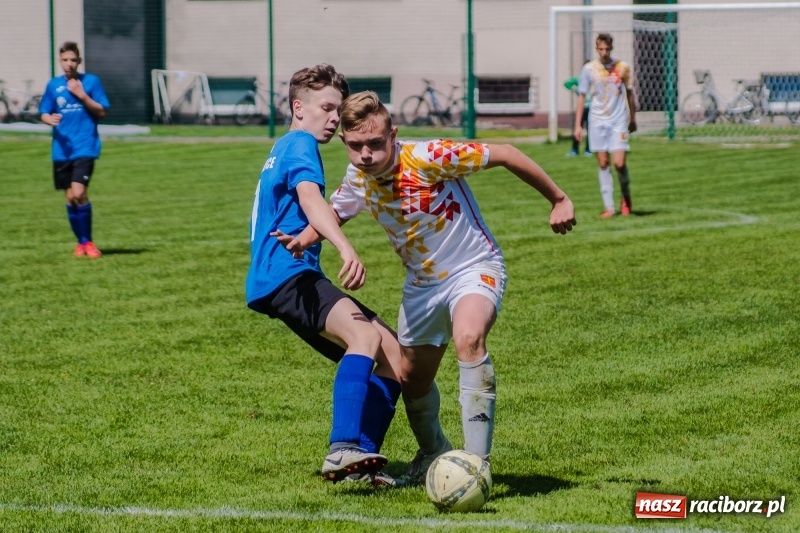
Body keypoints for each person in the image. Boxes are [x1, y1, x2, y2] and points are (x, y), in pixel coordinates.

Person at [280, 91, 576, 486]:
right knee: (411, 378)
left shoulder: (429, 156)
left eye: (374, 144)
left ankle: (476, 463)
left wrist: (558, 198)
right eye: (355, 146)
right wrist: (306, 238)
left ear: (394, 135)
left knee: (468, 338)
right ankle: (433, 451)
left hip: (473, 268)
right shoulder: (358, 178)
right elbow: (336, 211)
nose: (365, 154)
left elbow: (505, 152)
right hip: (421, 286)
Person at [245, 65, 404, 486]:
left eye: (337, 110)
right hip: (286, 276)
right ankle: (342, 448)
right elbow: (313, 200)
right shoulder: (299, 143)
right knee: (364, 338)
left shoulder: (284, 145)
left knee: (394, 356)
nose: (334, 118)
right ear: (299, 107)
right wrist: (345, 246)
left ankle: (360, 461)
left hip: (285, 273)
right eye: (326, 108)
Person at [39, 41, 110, 258]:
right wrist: (48, 119)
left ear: (79, 60)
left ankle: (88, 241)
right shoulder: (53, 85)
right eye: (65, 60)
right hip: (61, 149)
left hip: (84, 146)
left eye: (73, 59)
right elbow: (44, 112)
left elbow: (102, 112)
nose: (69, 63)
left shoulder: (91, 82)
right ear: (60, 61)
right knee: (70, 198)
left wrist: (82, 95)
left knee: (79, 192)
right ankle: (81, 243)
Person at [574, 33, 637, 218]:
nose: (604, 52)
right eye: (601, 49)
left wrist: (633, 118)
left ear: (611, 48)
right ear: (596, 48)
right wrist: (578, 125)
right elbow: (581, 96)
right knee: (603, 163)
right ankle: (609, 207)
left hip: (618, 121)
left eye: (607, 49)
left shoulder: (622, 67)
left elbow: (630, 94)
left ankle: (625, 195)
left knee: (619, 163)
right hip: (597, 121)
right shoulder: (589, 69)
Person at [564, 64, 592, 157]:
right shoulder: (579, 79)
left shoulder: (595, 79)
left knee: (590, 130)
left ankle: (588, 150)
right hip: (582, 108)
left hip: (592, 108)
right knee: (578, 128)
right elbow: (566, 83)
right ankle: (574, 149)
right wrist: (575, 89)